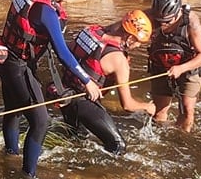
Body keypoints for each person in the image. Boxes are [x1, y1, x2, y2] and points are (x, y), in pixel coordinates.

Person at [0, 0, 103, 178]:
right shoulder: (45, 12)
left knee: (13, 109)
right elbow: (62, 52)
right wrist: (87, 80)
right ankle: (28, 175)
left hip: (7, 59)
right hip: (18, 66)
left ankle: (10, 154)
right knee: (41, 122)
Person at [53, 10, 155, 154]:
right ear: (130, 38)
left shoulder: (90, 31)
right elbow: (127, 105)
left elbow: (66, 53)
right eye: (138, 42)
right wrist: (147, 107)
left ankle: (76, 174)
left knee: (76, 142)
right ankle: (99, 176)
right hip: (82, 102)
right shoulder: (119, 60)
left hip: (64, 93)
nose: (138, 46)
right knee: (118, 146)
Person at [147, 0, 201, 132]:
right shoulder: (150, 15)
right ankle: (160, 138)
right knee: (159, 111)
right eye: (159, 21)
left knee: (187, 110)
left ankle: (182, 139)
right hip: (161, 66)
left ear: (177, 13)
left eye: (167, 21)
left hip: (188, 67)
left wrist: (181, 68)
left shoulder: (191, 23)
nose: (162, 24)